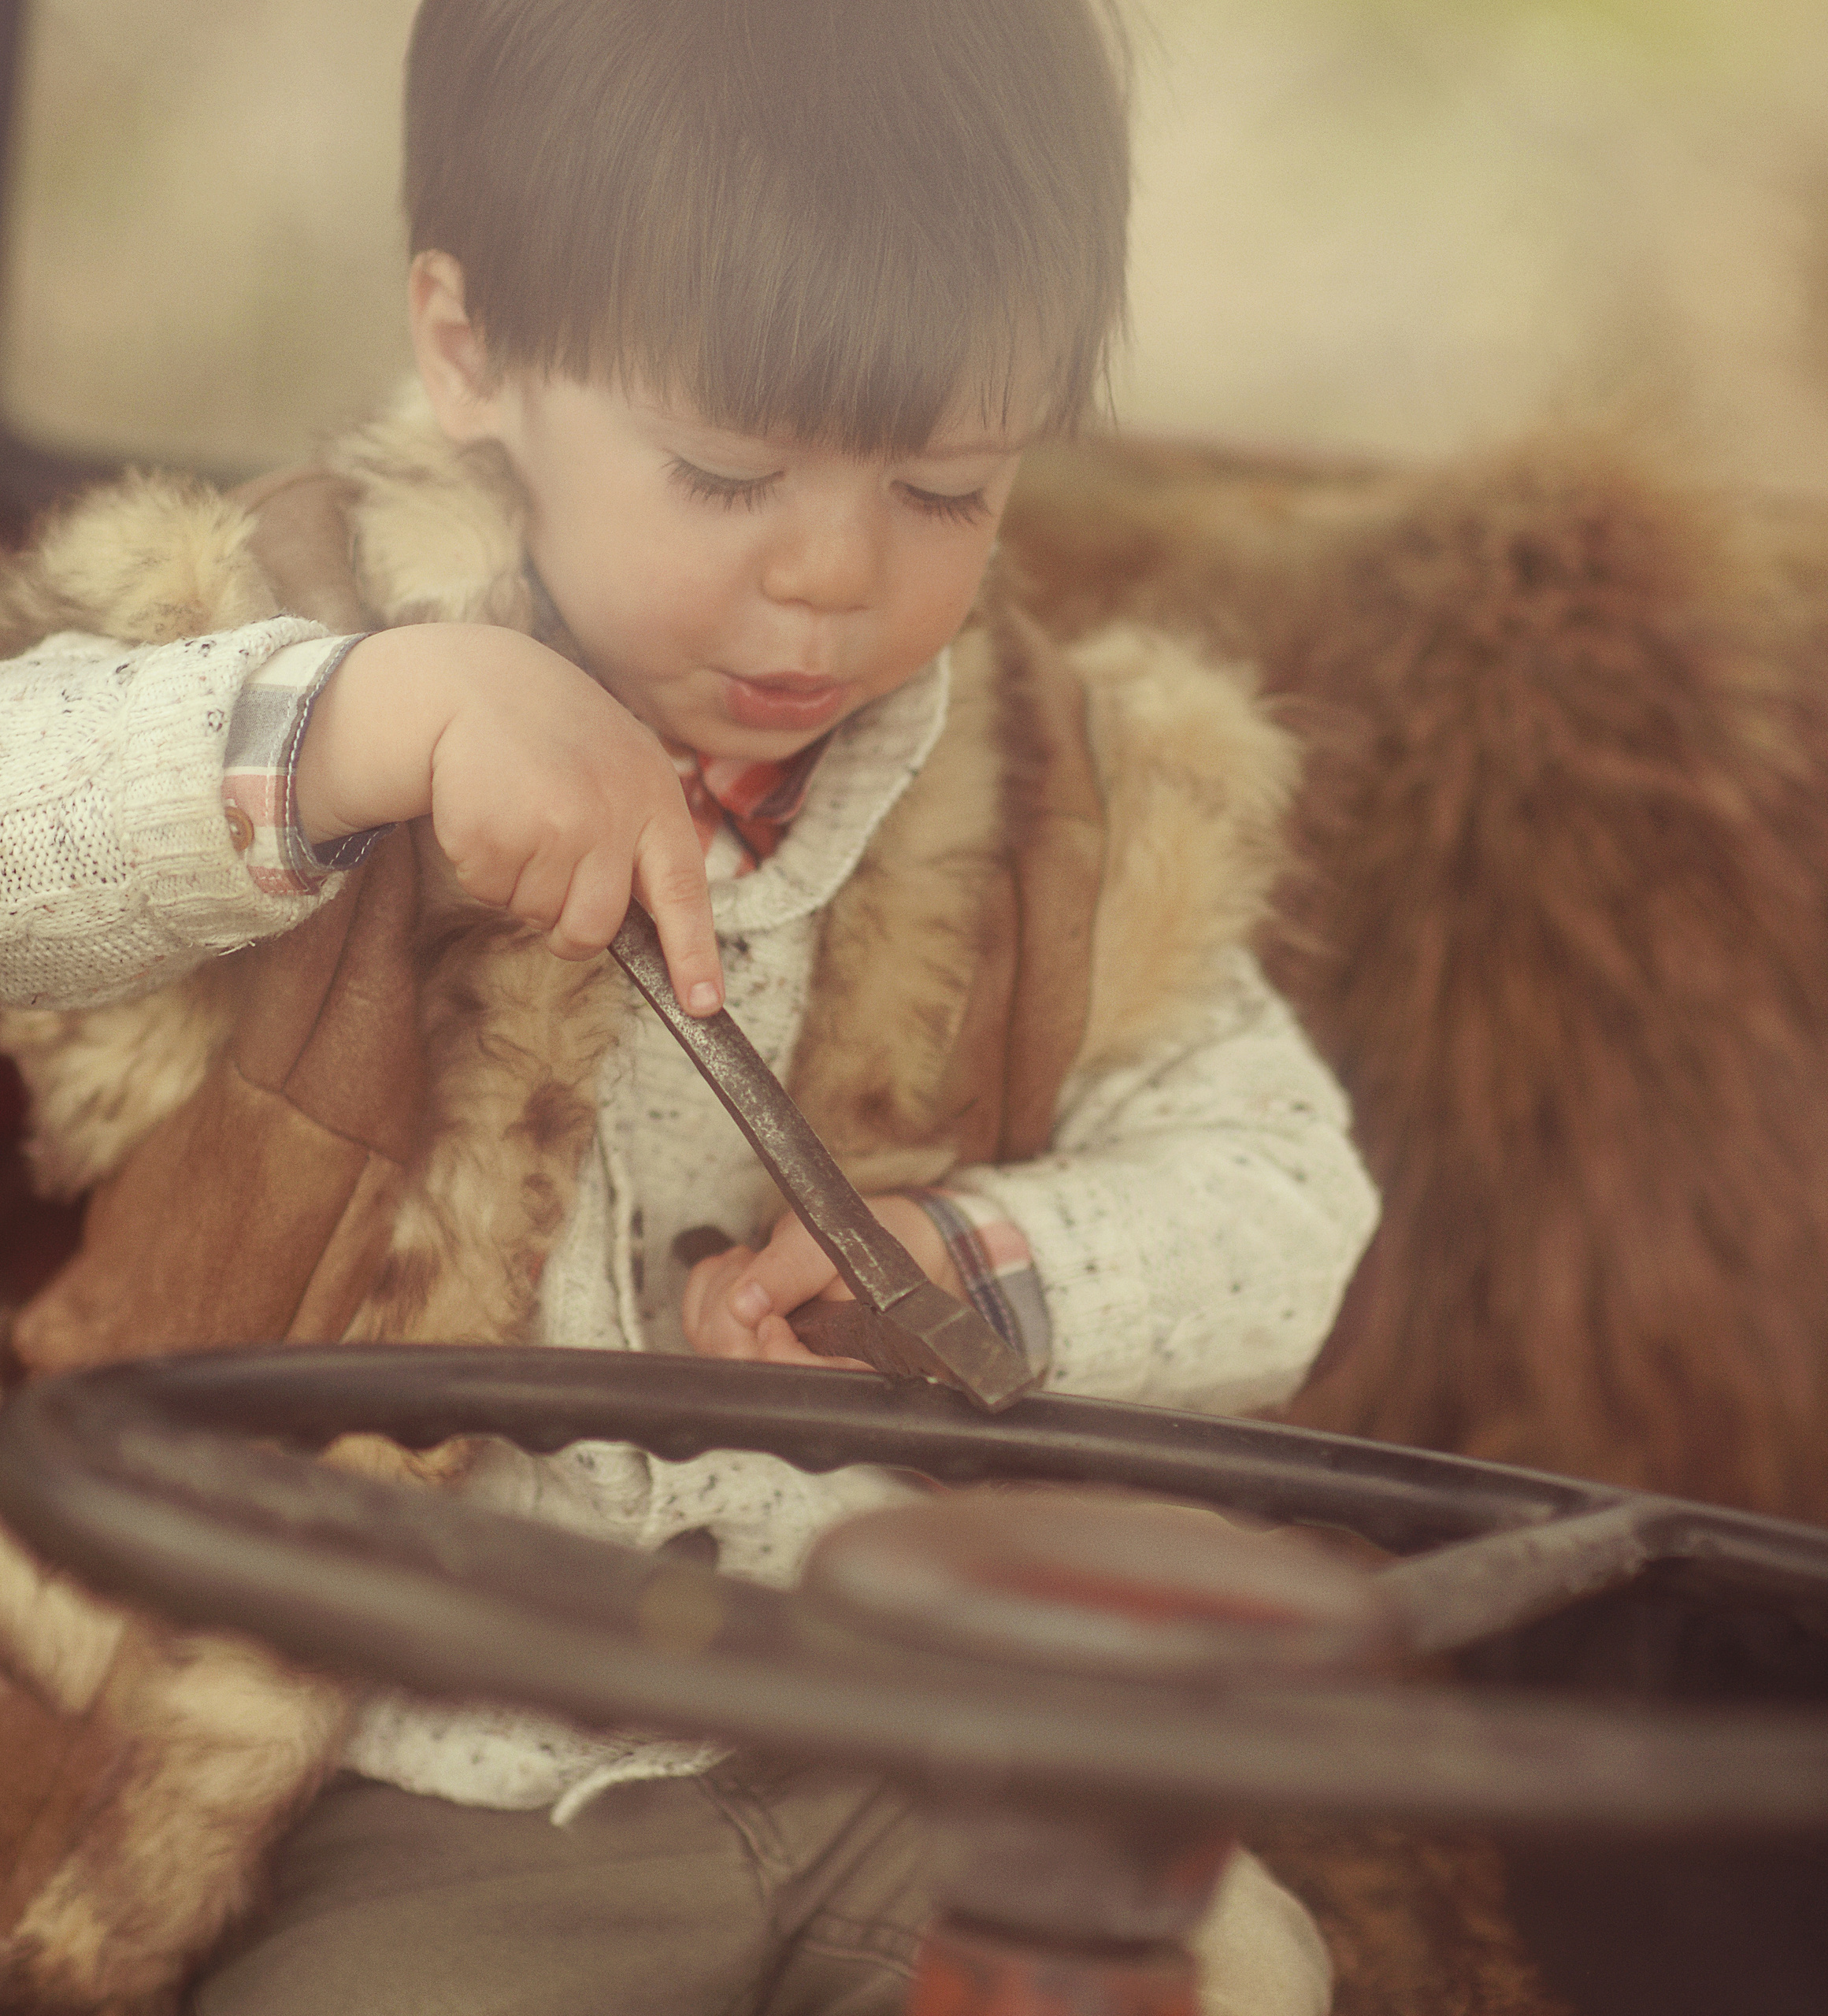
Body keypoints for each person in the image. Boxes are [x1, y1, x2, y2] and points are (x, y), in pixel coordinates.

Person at [0, 2, 1375, 2010]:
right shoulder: (266, 638)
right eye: (727, 471)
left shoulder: (1056, 800)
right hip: (406, 1781)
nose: (830, 576)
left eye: (943, 487)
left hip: (898, 1741)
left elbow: (1283, 1192)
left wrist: (983, 1262)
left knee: (1231, 1971)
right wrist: (365, 724)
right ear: (469, 348)